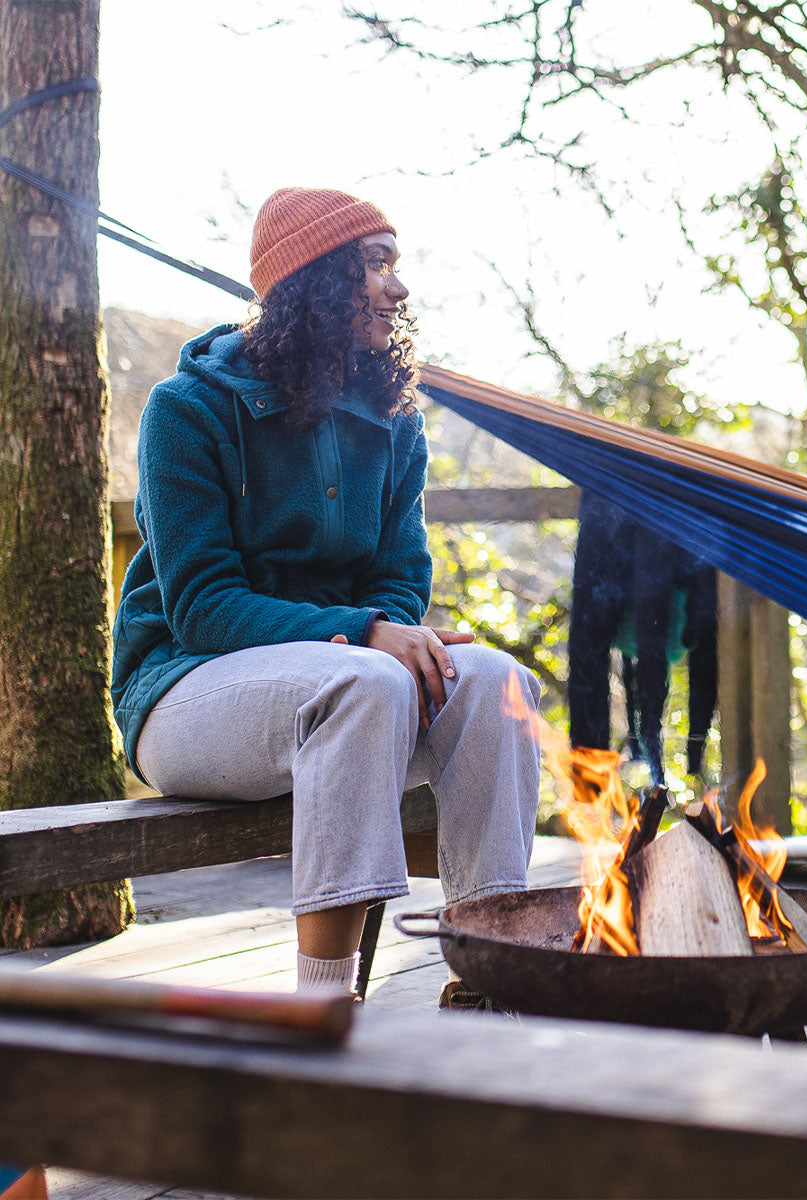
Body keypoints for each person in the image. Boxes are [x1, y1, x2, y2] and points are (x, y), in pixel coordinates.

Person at [110, 186, 542, 1004]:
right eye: (374, 265)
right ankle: (322, 1003)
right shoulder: (187, 411)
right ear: (313, 282)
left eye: (395, 264)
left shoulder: (391, 417)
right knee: (366, 675)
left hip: (346, 698)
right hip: (183, 696)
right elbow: (201, 606)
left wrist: (387, 626)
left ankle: (492, 965)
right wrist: (366, 632)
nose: (398, 287)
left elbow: (400, 577)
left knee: (496, 679)